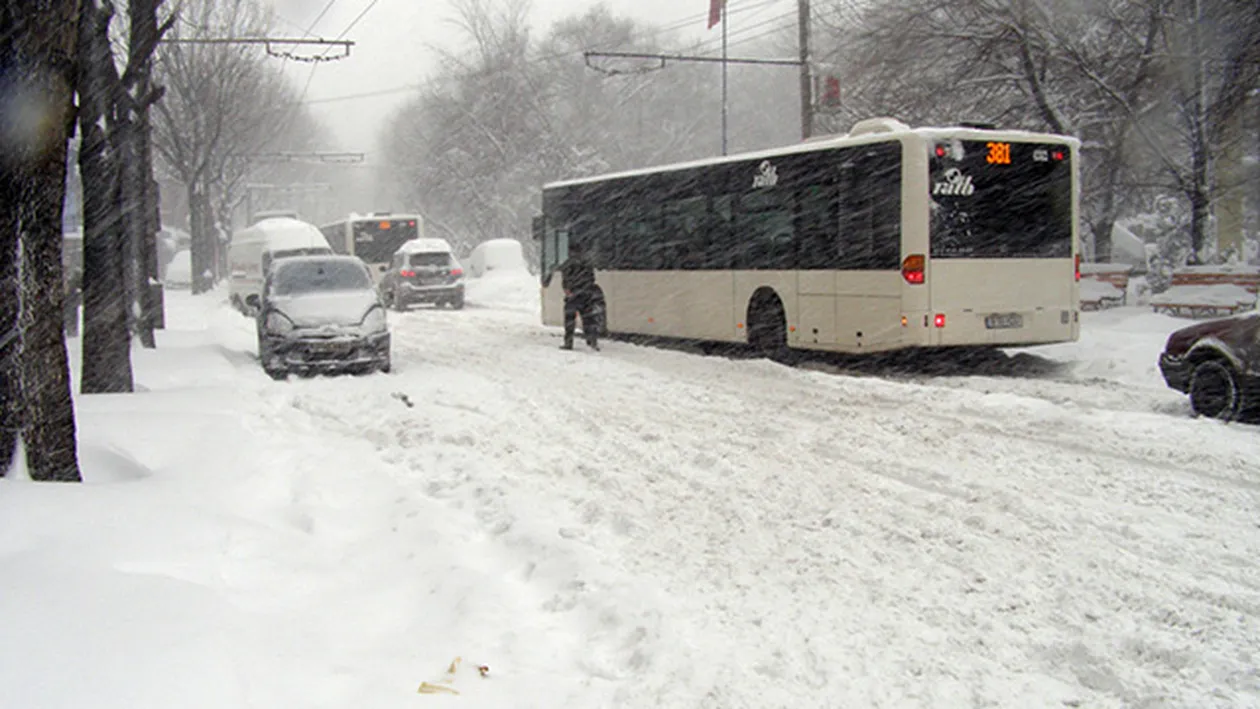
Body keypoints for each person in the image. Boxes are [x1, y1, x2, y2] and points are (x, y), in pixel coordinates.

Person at [559, 242, 599, 351]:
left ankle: (568, 342)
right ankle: (592, 341)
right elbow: (592, 279)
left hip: (573, 296)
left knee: (570, 321)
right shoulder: (587, 264)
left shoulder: (568, 264)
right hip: (586, 295)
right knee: (588, 319)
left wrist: (569, 290)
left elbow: (565, 281)